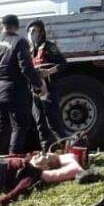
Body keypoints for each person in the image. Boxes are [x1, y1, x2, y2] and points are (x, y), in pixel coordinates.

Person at [0, 14, 42, 156]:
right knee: (19, 125)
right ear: (17, 26)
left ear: (2, 26)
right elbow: (26, 67)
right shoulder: (19, 42)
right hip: (16, 92)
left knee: (0, 126)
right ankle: (14, 158)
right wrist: (37, 84)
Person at [0, 150, 87, 206]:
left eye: (45, 155)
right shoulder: (26, 159)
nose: (41, 153)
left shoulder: (32, 172)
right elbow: (70, 157)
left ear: (46, 166)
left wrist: (2, 201)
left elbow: (21, 188)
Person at [26, 19, 70, 149]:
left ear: (41, 32)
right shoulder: (30, 50)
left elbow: (63, 64)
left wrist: (48, 72)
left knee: (53, 122)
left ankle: (67, 148)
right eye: (29, 31)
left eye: (34, 31)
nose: (31, 34)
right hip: (35, 92)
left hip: (49, 90)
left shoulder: (49, 47)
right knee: (40, 123)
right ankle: (46, 150)